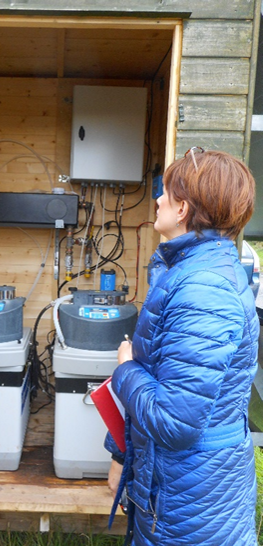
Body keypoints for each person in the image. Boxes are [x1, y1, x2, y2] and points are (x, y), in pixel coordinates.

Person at [105, 148, 259, 546]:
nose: (157, 199)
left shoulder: (204, 290)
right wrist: (122, 455)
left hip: (190, 498)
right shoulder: (188, 271)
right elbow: (166, 374)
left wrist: (124, 370)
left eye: (166, 193)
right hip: (179, 483)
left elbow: (176, 421)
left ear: (183, 209)